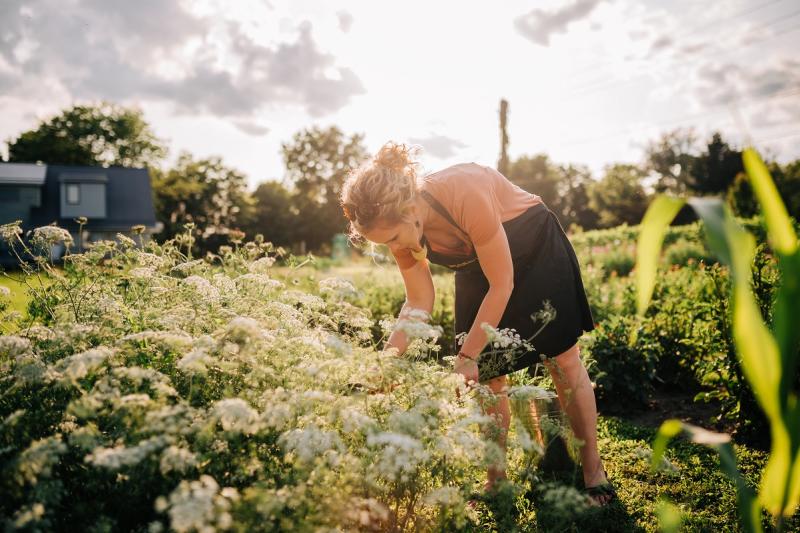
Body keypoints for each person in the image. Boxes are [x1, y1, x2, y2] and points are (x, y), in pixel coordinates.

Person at [339, 141, 617, 507]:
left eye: (392, 238)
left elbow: (502, 283)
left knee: (562, 361)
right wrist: (384, 364)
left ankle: (593, 473)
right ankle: (496, 481)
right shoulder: (397, 226)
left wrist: (467, 356)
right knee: (488, 378)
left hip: (533, 244)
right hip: (476, 268)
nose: (394, 247)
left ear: (410, 210)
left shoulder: (464, 191)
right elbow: (418, 301)